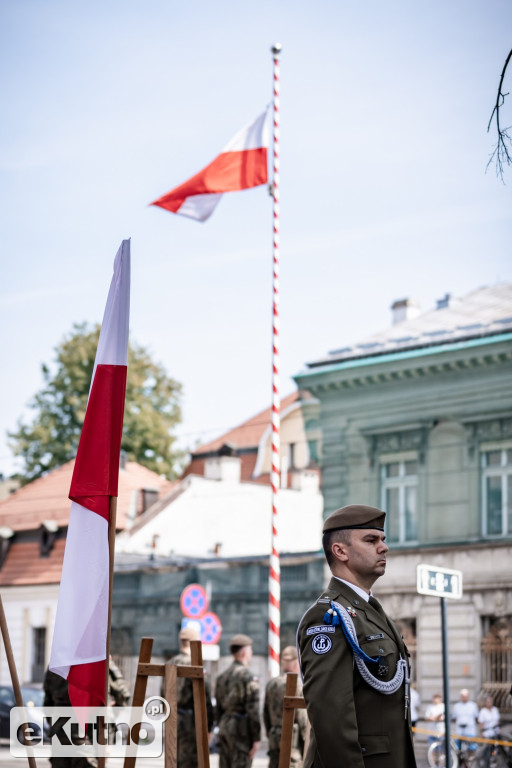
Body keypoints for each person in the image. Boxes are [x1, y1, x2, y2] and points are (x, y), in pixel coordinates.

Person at [297, 504, 416, 768]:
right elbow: (331, 717)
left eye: (383, 540)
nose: (383, 547)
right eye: (371, 540)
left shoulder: (372, 612)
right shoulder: (329, 616)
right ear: (340, 551)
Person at [161, 626, 214, 768]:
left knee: (173, 760)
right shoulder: (196, 664)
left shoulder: (169, 664)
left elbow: (162, 696)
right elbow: (205, 699)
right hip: (192, 723)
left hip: (172, 719)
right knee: (191, 762)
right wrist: (209, 727)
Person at [215, 633, 261, 768]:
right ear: (244, 652)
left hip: (224, 727)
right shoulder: (248, 677)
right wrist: (256, 738)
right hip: (241, 730)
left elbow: (217, 708)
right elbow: (253, 710)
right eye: (250, 649)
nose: (251, 653)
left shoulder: (222, 677)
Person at [263, 646, 307, 768]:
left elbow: (265, 714)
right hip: (293, 744)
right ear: (296, 662)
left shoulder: (272, 684)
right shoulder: (298, 686)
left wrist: (270, 733)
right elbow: (303, 720)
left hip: (274, 739)